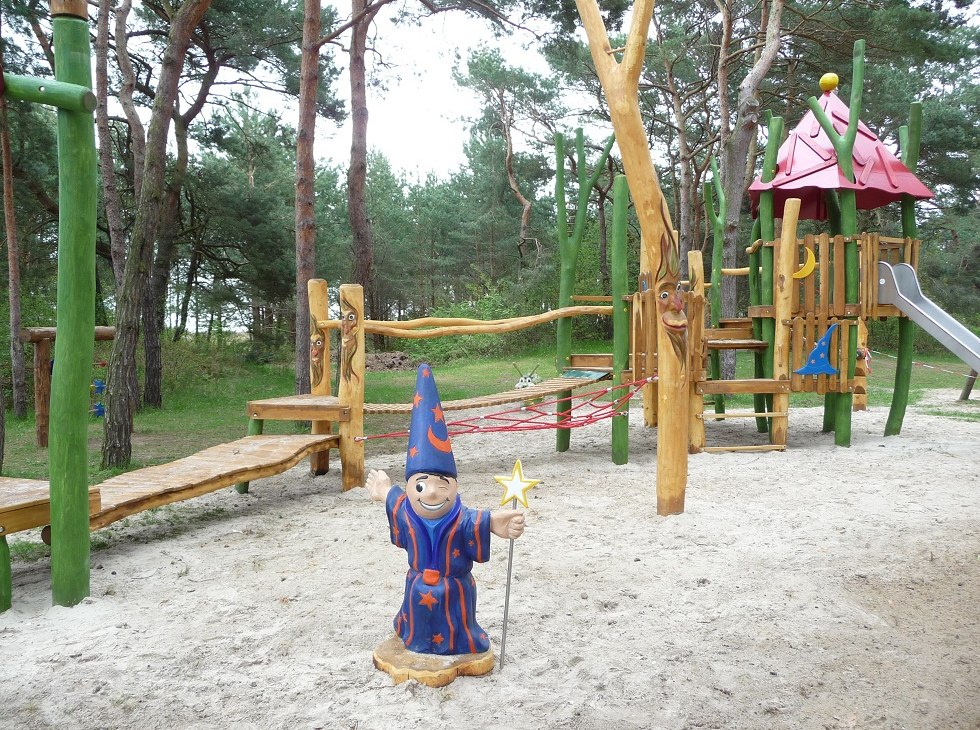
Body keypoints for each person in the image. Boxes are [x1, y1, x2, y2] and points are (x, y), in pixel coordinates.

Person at [365, 363, 525, 656]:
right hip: (417, 589)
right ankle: (411, 635)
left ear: (454, 485)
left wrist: (495, 523)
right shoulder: (405, 509)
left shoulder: (462, 518)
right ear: (411, 485)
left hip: (454, 592)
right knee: (416, 623)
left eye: (443, 483)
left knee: (457, 625)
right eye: (422, 484)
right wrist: (385, 490)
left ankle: (462, 642)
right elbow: (394, 498)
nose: (434, 492)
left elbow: (478, 521)